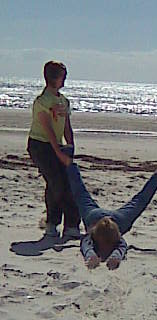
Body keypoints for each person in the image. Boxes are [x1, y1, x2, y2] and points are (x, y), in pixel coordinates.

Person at [66, 161, 157, 270]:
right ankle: (69, 164)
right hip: (111, 219)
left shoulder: (101, 233)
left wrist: (92, 256)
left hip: (97, 217)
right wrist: (114, 257)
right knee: (139, 201)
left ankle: (69, 164)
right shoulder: (103, 233)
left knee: (139, 201)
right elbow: (120, 247)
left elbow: (87, 245)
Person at [27, 61, 81, 238]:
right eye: (62, 77)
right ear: (54, 78)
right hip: (40, 145)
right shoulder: (42, 102)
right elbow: (48, 130)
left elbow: (66, 126)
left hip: (57, 145)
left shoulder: (63, 100)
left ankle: (71, 224)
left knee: (67, 182)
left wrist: (70, 147)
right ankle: (52, 223)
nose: (64, 81)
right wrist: (58, 152)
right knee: (56, 181)